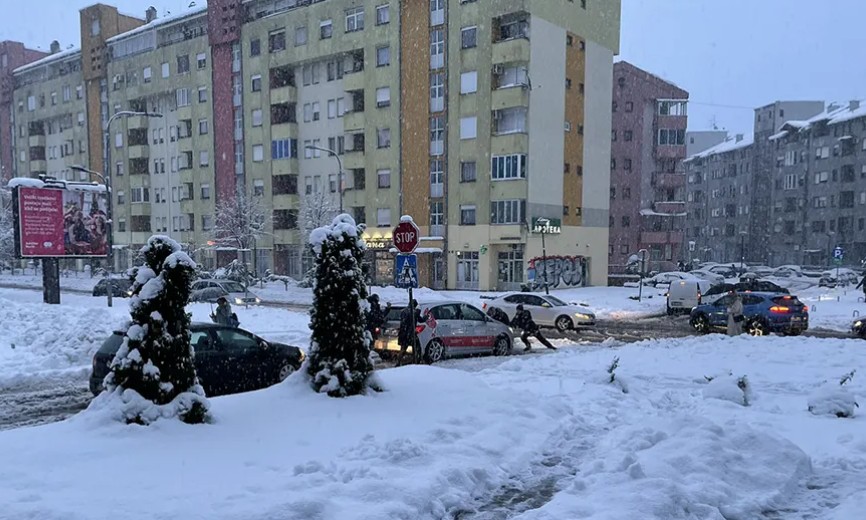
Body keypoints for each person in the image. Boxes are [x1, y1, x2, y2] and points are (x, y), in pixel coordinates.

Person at [397, 299, 423, 366]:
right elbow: (420, 320)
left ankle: (398, 362)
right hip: (410, 333)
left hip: (403, 333)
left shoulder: (403, 311)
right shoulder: (414, 312)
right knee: (417, 347)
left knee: (403, 348)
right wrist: (424, 316)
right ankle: (416, 360)